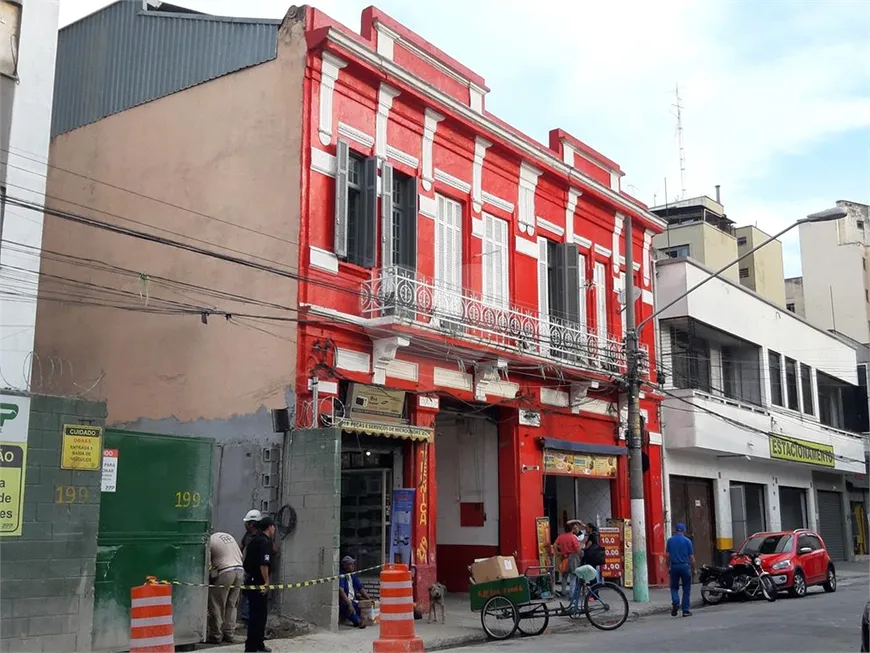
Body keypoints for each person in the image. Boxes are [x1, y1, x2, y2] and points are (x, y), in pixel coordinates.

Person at [243, 516, 275, 652]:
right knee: (258, 616)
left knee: (257, 615)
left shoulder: (255, 539)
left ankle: (257, 644)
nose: (275, 530)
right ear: (270, 527)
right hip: (258, 582)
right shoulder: (264, 542)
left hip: (251, 580)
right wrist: (266, 582)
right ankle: (253, 646)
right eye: (274, 527)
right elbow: (263, 564)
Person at [207, 531, 245, 644]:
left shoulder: (210, 540)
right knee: (232, 604)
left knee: (217, 603)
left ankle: (216, 635)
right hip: (239, 570)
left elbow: (208, 565)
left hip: (225, 571)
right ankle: (229, 633)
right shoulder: (228, 536)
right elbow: (241, 555)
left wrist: (211, 576)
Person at [666, 522, 695, 617]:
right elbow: (691, 557)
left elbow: (667, 556)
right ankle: (685, 610)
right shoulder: (687, 541)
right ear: (683, 530)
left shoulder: (670, 541)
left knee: (674, 587)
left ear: (675, 530)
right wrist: (693, 568)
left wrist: (668, 566)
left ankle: (676, 602)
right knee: (686, 588)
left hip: (674, 566)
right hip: (685, 566)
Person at [238, 509, 262, 625]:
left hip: (258, 570)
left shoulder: (261, 537)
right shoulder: (247, 535)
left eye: (247, 523)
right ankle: (245, 617)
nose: (246, 525)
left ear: (252, 524)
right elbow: (241, 547)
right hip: (247, 569)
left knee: (254, 594)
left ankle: (251, 618)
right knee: (246, 592)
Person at [338, 556, 371, 628]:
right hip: (345, 601)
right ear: (345, 566)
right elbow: (341, 591)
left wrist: (369, 600)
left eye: (353, 564)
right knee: (348, 608)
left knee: (360, 605)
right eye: (351, 564)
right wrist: (349, 604)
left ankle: (359, 620)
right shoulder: (342, 575)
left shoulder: (353, 575)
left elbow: (360, 588)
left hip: (354, 600)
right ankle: (358, 621)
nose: (353, 566)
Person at [554, 522, 582, 596]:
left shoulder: (560, 536)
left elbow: (555, 545)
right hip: (573, 558)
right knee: (573, 576)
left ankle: (563, 591)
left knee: (564, 576)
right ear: (572, 529)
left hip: (564, 558)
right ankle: (572, 594)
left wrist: (558, 553)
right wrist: (579, 555)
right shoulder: (573, 537)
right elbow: (577, 548)